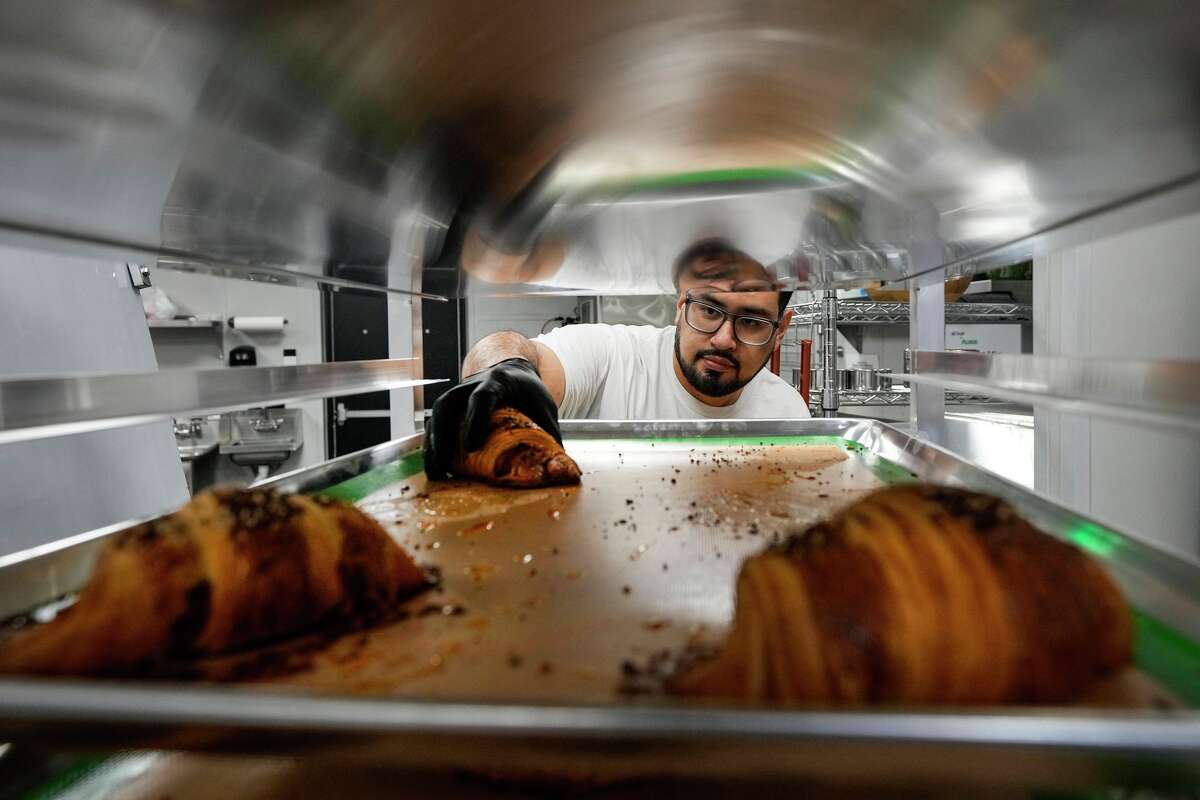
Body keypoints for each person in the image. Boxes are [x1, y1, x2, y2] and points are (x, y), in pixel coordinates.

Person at [424, 240, 809, 480]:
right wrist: (504, 367)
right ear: (681, 305)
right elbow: (514, 347)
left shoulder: (787, 412)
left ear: (780, 330)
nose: (724, 339)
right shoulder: (612, 355)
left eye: (752, 322)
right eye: (708, 310)